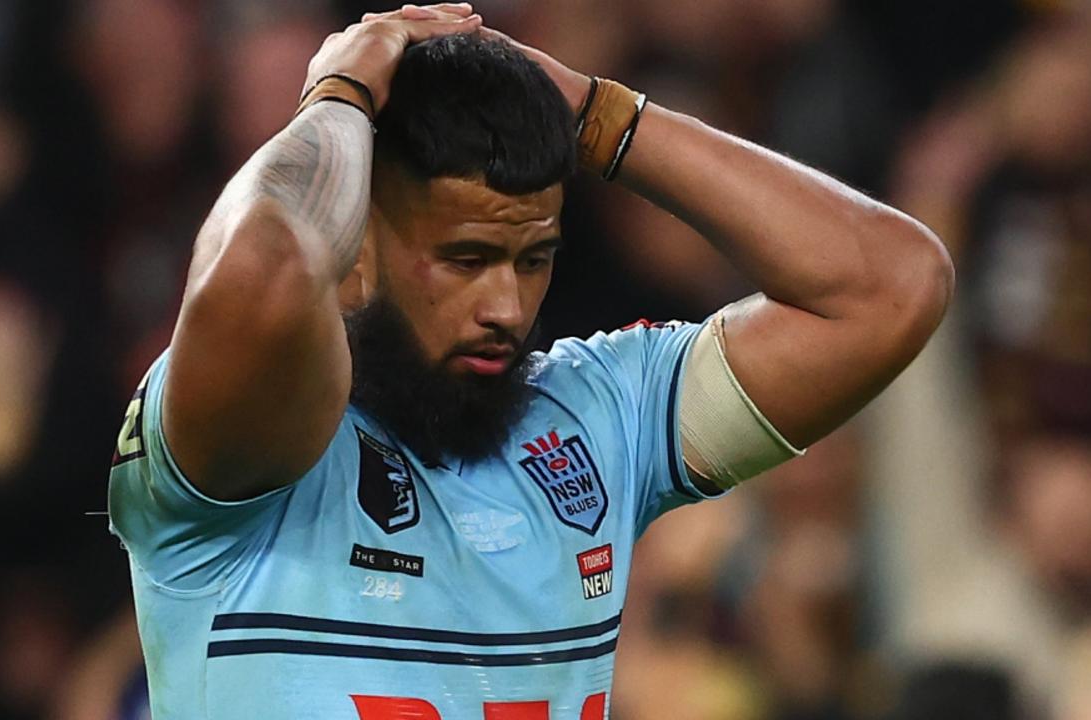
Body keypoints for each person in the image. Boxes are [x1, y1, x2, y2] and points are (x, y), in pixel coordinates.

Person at [107, 4, 953, 718]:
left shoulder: (598, 422)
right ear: (354, 246)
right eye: (467, 260)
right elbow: (263, 269)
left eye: (534, 259)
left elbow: (892, 287)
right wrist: (339, 96)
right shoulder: (244, 447)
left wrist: (598, 115)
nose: (506, 310)